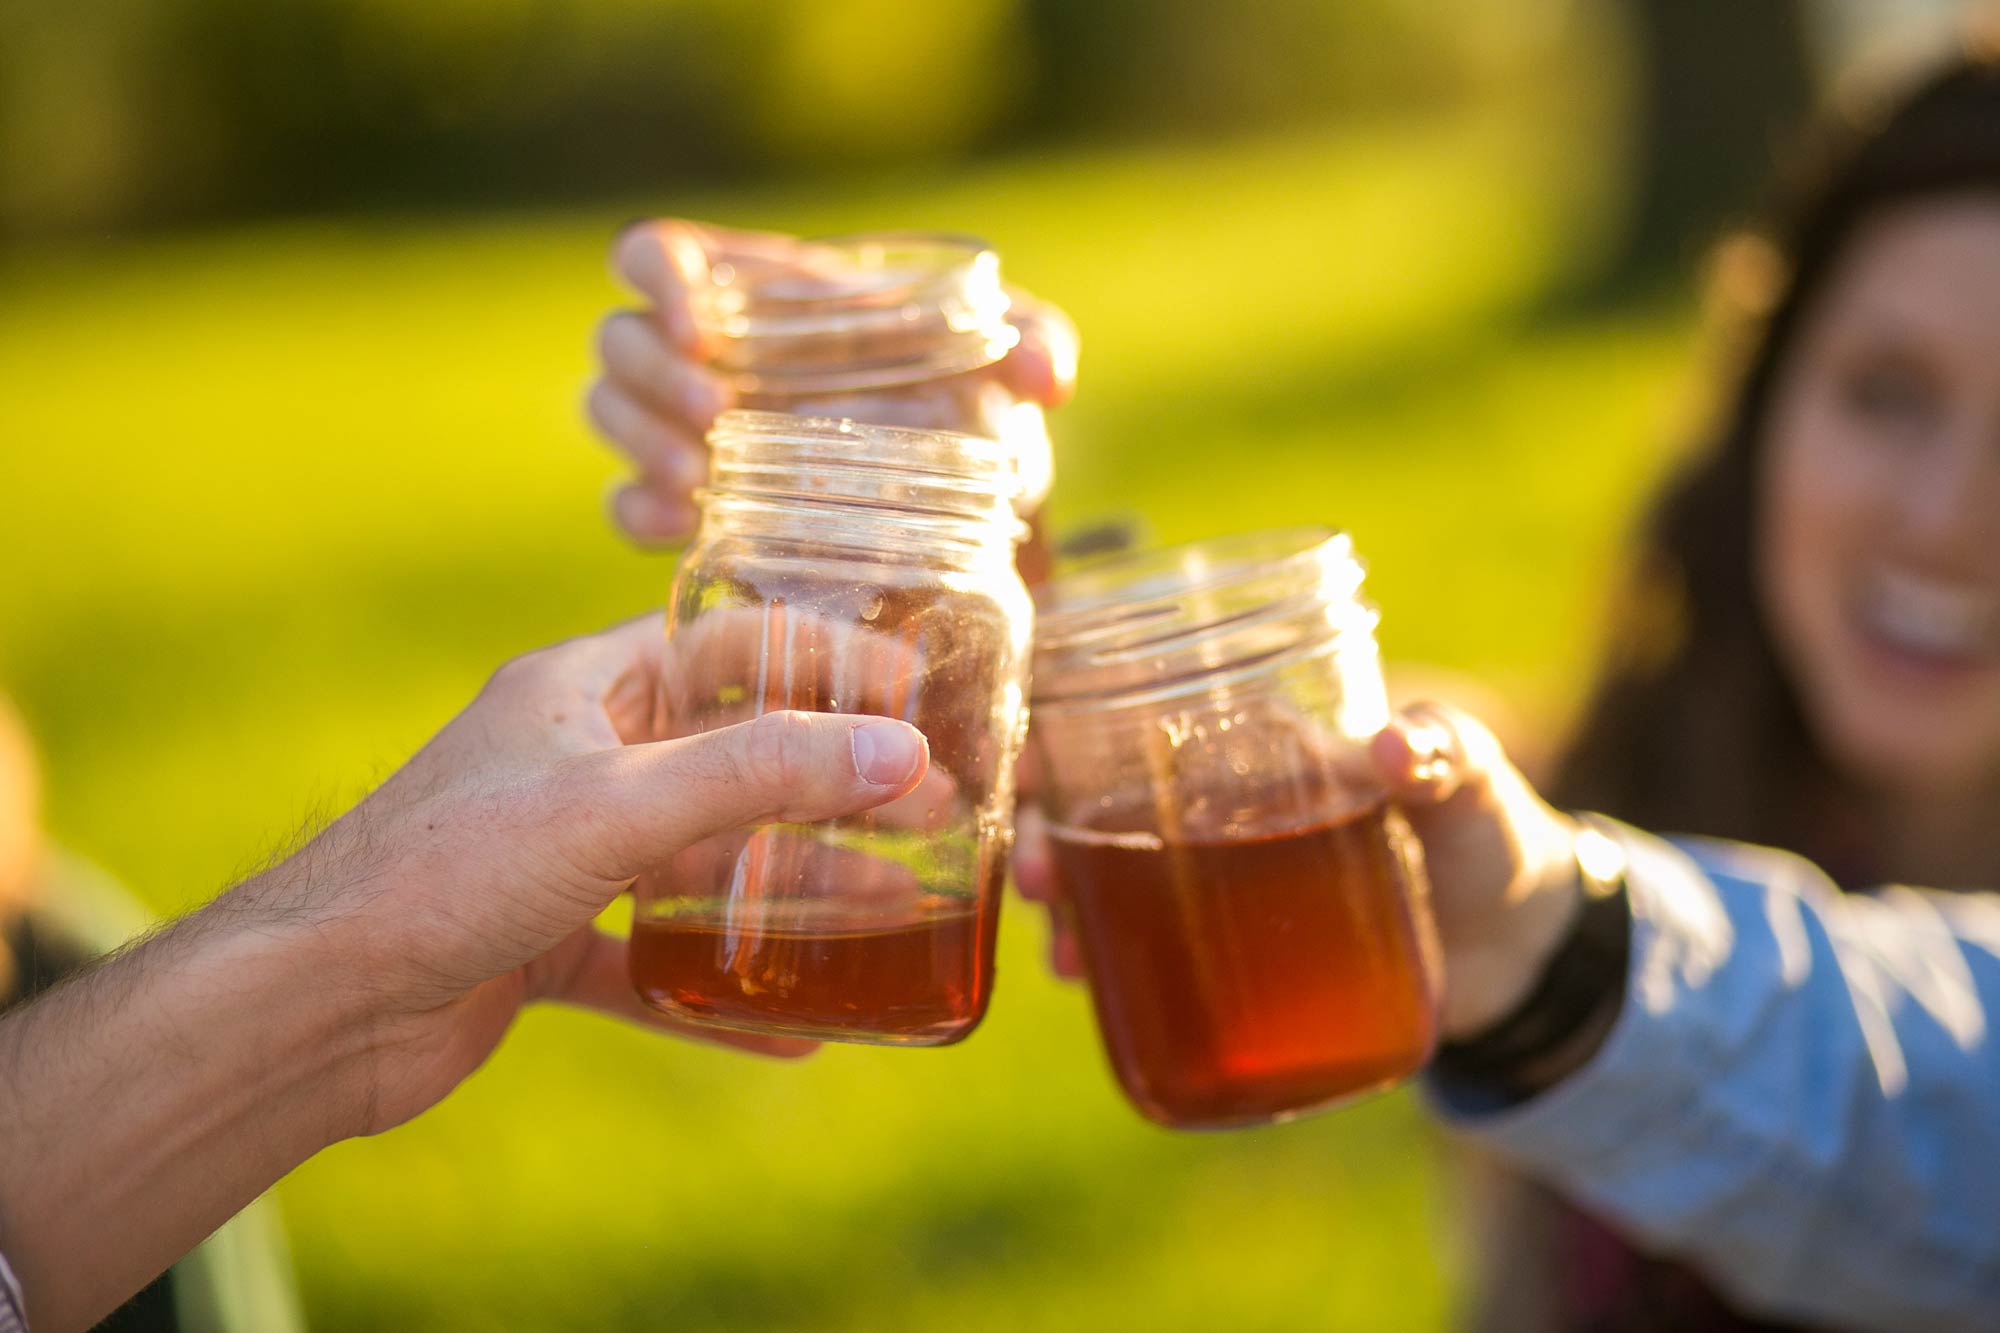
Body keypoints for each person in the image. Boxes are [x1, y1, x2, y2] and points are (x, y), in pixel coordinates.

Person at [590, 41, 2000, 1331]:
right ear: (1766, 406)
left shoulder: (1548, 868)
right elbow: (1170, 743)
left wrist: (1557, 957)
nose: (1947, 513)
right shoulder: (1592, 771)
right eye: (1887, 391)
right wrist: (935, 517)